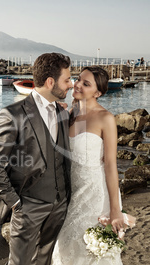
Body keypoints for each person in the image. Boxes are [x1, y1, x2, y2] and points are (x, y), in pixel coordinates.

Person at [0, 52, 73, 265]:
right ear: (51, 82)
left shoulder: (61, 112)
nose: (71, 85)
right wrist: (14, 202)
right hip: (28, 205)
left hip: (60, 203)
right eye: (67, 79)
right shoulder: (13, 114)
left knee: (46, 260)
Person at [52, 66, 126, 264]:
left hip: (95, 192)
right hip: (71, 192)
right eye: (78, 80)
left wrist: (115, 210)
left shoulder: (105, 118)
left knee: (91, 250)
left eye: (86, 84)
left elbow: (110, 164)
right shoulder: (69, 114)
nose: (77, 85)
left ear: (98, 92)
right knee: (65, 246)